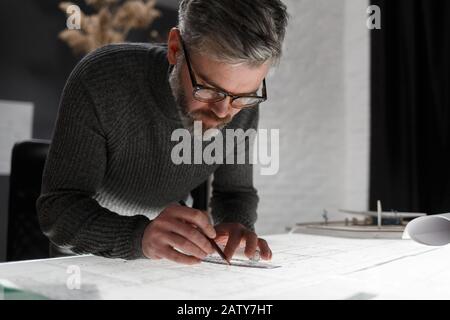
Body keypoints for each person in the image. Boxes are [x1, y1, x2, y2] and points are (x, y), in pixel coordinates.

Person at [37, 0, 288, 265]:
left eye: (244, 95)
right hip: (83, 262)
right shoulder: (102, 79)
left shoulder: (242, 107)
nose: (224, 112)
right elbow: (57, 210)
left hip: (168, 261)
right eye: (210, 89)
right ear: (175, 48)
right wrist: (140, 236)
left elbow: (235, 192)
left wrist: (236, 224)